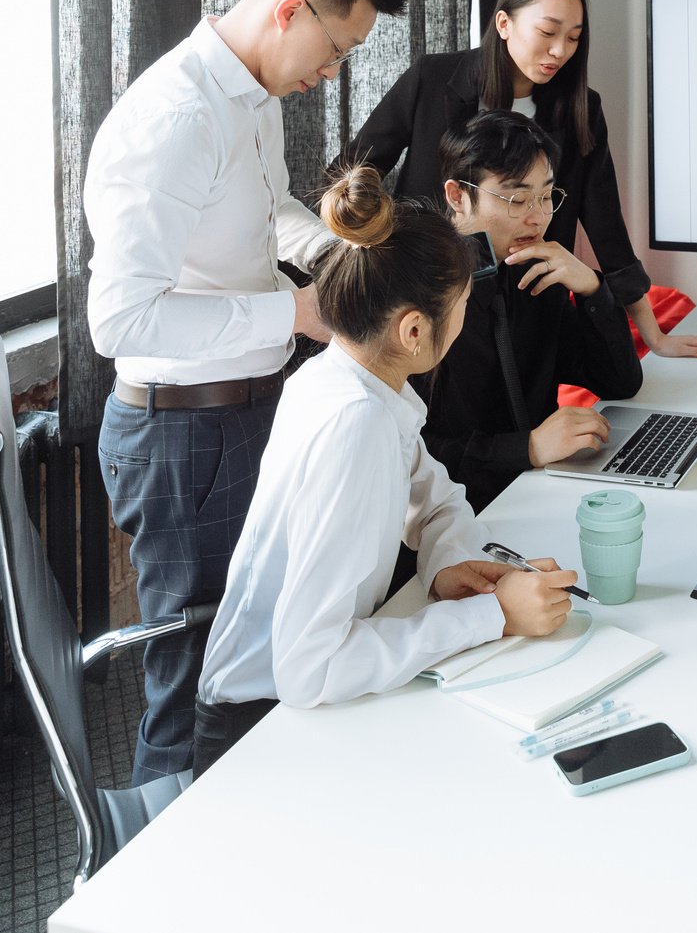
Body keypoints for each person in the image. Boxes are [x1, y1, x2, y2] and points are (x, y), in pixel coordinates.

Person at [85, 0, 406, 782]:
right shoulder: (176, 117)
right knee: (194, 674)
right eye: (335, 50)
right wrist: (292, 313)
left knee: (255, 650)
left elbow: (269, 217)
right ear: (289, 9)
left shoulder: (252, 96)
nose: (331, 74)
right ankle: (143, 892)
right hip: (181, 436)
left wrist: (340, 255)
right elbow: (120, 320)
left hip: (243, 410)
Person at [193, 165, 574, 776]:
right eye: (463, 309)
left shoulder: (354, 380)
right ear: (416, 330)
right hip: (257, 732)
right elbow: (308, 669)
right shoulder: (355, 423)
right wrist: (492, 616)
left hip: (299, 706)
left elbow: (436, 498)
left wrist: (452, 564)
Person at [347, 0, 697, 360]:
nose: (559, 51)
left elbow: (606, 224)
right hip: (428, 301)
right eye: (547, 32)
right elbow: (356, 171)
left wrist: (655, 336)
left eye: (573, 38)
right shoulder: (433, 78)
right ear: (504, 24)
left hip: (528, 306)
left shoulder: (579, 109)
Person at [416, 110, 644, 512]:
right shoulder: (419, 293)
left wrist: (593, 288)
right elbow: (415, 456)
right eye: (517, 199)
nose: (537, 218)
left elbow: (620, 382)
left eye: (546, 196)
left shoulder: (537, 271)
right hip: (457, 516)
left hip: (545, 492)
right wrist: (529, 447)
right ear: (457, 196)